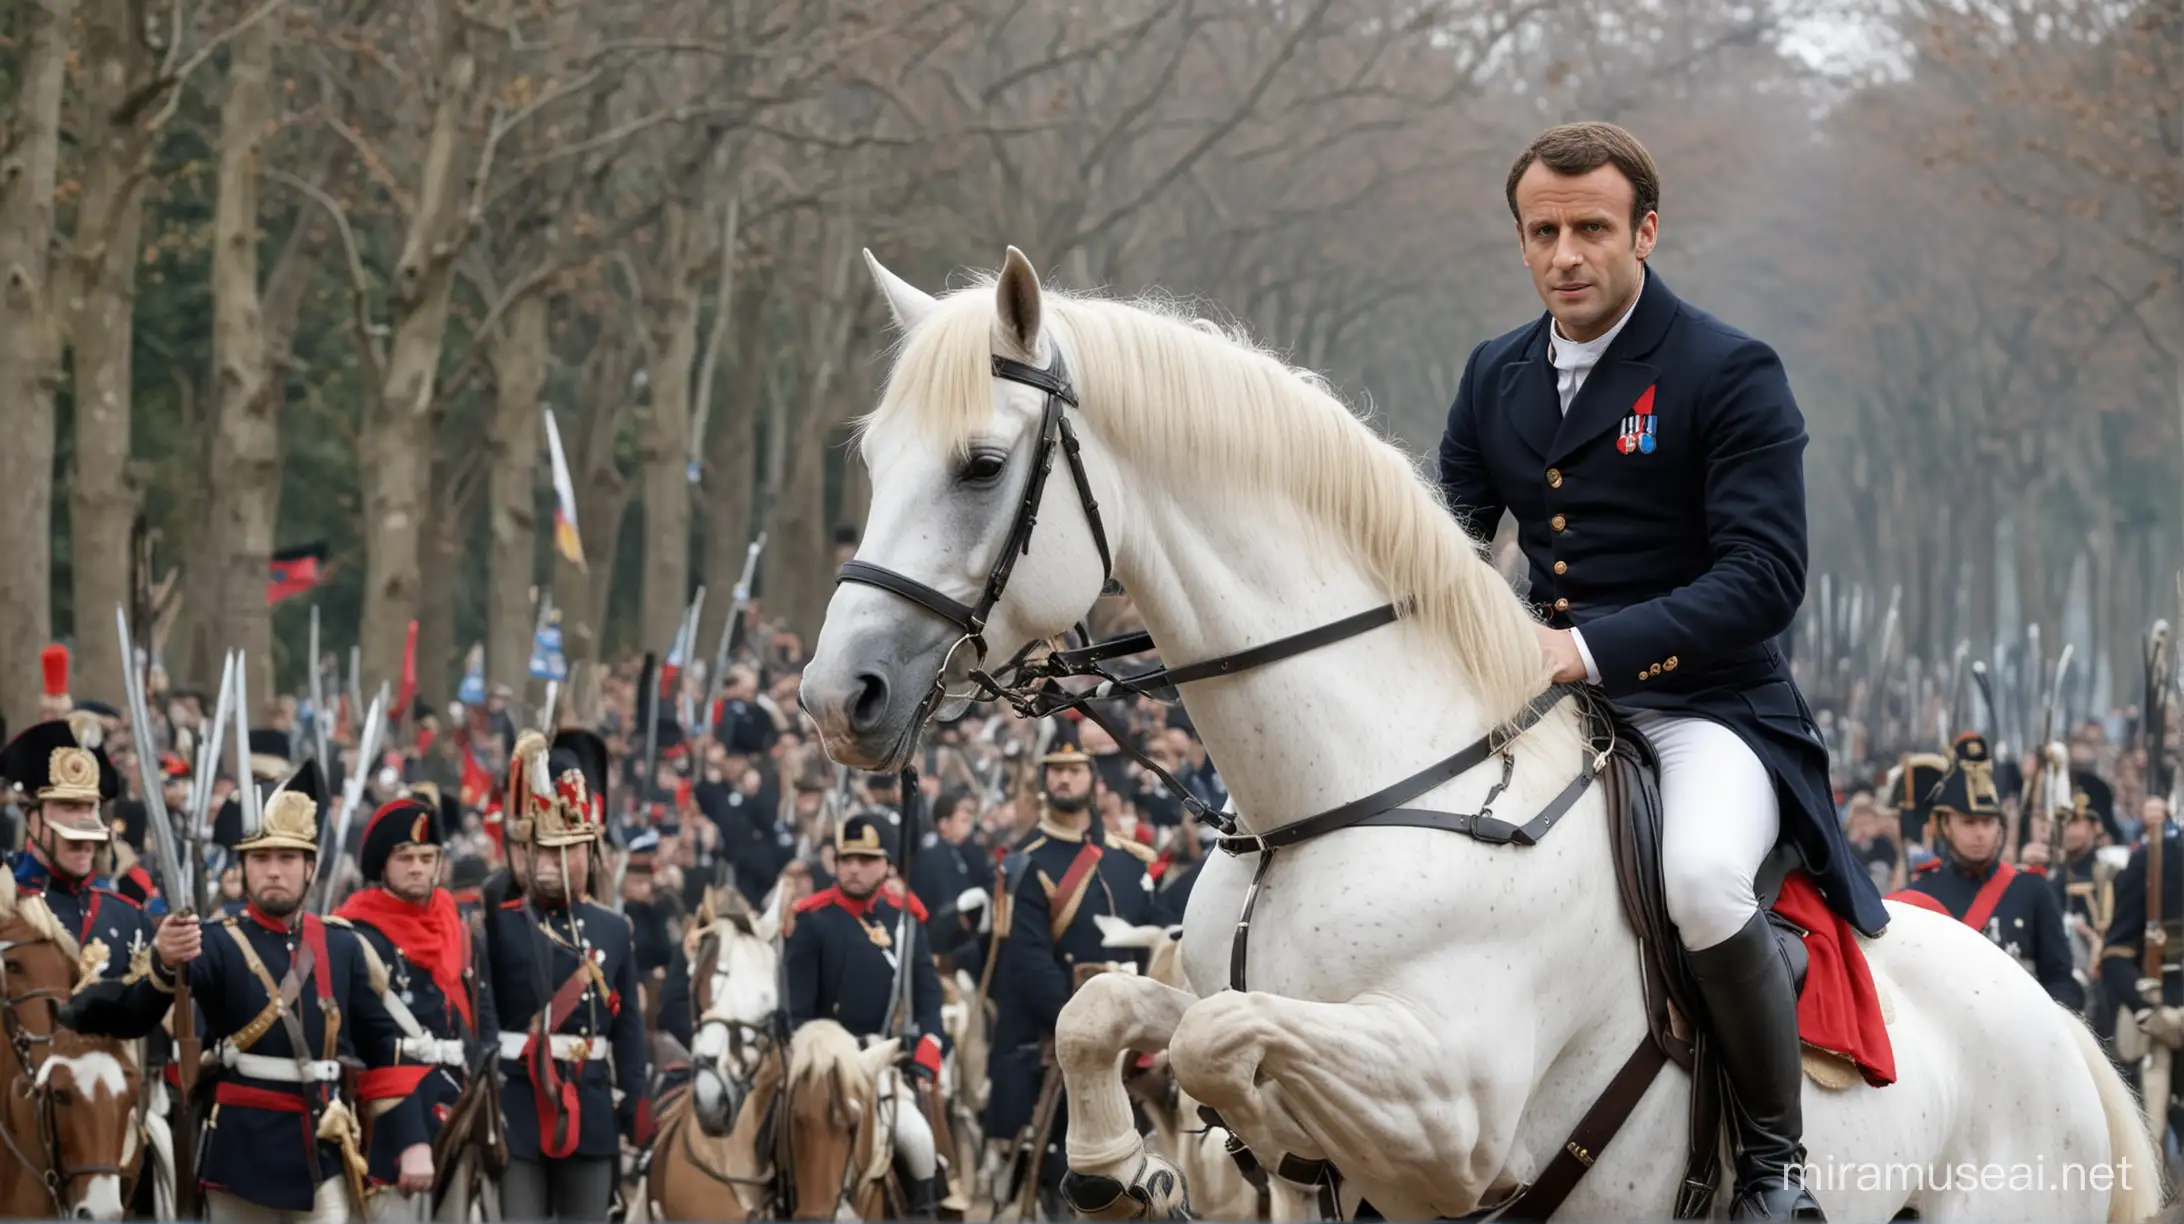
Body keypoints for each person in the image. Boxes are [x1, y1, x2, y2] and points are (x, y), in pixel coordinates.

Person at [1436, 120, 1890, 1220]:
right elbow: (1441, 542)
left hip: (1705, 707)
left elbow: (1764, 578)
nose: (1565, 255)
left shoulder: (1727, 369)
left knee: (1696, 881)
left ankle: (1778, 1163)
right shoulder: (1494, 370)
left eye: (1591, 228)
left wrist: (1582, 646)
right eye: (1541, 232)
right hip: (1549, 707)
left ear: (1645, 229)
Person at [134, 761, 426, 1224]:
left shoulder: (341, 944)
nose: (274, 871)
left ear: (310, 867)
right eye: (261, 859)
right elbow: (142, 1006)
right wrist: (165, 958)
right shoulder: (214, 942)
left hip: (321, 1149)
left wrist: (414, 1142)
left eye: (287, 859)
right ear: (245, 867)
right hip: (238, 1154)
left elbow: (381, 1048)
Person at [984, 745, 1164, 1214]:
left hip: (1139, 1040)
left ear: (1093, 780)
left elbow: (1157, 947)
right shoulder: (1025, 864)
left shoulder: (1130, 862)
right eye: (1056, 771)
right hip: (1065, 1040)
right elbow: (1029, 963)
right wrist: (1085, 1029)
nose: (1064, 780)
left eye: (1074, 770)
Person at [482, 729, 645, 1221]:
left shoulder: (613, 929)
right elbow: (482, 1017)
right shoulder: (498, 920)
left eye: (569, 849)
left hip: (590, 1106)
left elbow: (630, 1029)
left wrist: (635, 1102)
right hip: (517, 1105)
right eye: (545, 850)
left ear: (589, 852)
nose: (556, 862)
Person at [330, 793, 496, 1219]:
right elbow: (363, 1044)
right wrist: (408, 1134)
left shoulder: (457, 929)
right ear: (382, 865)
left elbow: (478, 1022)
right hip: (387, 1124)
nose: (418, 867)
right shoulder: (355, 935)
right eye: (405, 857)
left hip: (459, 1112)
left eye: (427, 856)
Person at [787, 814, 952, 1216]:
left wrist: (926, 1050)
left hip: (883, 1064)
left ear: (887, 866)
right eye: (845, 859)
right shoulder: (814, 920)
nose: (853, 868)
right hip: (822, 1068)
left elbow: (929, 1002)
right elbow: (796, 1012)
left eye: (865, 859)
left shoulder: (906, 921)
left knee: (917, 1142)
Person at [1893, 734, 2080, 1008]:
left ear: (2000, 826)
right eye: (1968, 823)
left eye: (1987, 822)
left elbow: (2062, 980)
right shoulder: (1921, 896)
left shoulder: (2032, 890)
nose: (1980, 833)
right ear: (1946, 826)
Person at [1, 719, 168, 1001]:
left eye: (91, 807)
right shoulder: (6, 902)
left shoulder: (129, 918)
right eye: (69, 806)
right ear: (32, 818)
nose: (84, 821)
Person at [910, 790, 995, 976]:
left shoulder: (958, 851)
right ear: (944, 824)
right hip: (942, 951)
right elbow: (946, 908)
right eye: (963, 821)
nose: (969, 827)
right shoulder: (937, 856)